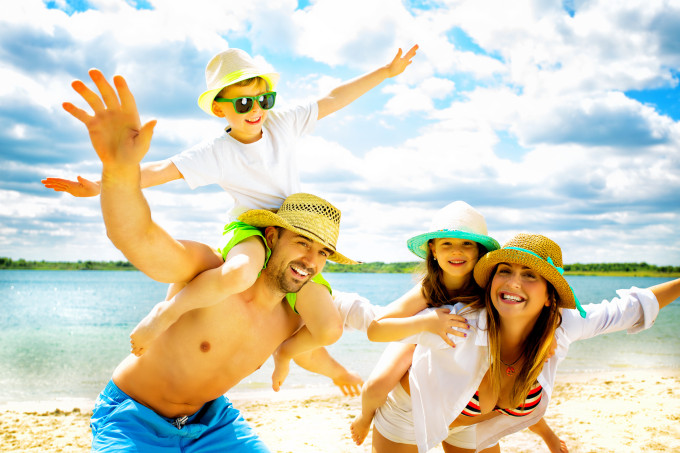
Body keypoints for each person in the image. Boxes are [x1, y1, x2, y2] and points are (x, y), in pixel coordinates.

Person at [44, 45, 418, 391]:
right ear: (219, 108)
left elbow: (334, 98)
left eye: (263, 99)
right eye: (242, 103)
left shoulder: (282, 124)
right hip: (251, 227)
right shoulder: (218, 151)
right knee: (239, 274)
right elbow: (161, 170)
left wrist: (385, 71)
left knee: (329, 327)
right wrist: (100, 183)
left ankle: (283, 353)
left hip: (294, 228)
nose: (256, 109)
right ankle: (167, 312)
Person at [60, 68, 362, 451]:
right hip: (134, 419)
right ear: (271, 235)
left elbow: (313, 351)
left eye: (322, 253)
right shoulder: (210, 271)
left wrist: (341, 374)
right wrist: (119, 173)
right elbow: (137, 237)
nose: (311, 261)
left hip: (215, 422)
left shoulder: (296, 313)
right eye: (302, 242)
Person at [371, 233, 680, 452]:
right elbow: (378, 326)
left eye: (530, 275)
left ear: (550, 297)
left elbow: (631, 309)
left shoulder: (561, 326)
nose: (513, 282)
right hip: (410, 414)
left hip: (471, 426)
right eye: (505, 271)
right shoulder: (459, 322)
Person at [344, 202, 564, 452]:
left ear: (480, 251)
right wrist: (426, 322)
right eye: (447, 243)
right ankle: (364, 418)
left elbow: (530, 307)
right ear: (433, 250)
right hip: (421, 334)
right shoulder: (429, 287)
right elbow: (376, 330)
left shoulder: (490, 283)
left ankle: (545, 433)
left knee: (513, 381)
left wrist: (549, 335)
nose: (456, 251)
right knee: (378, 384)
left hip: (463, 362)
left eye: (466, 244)